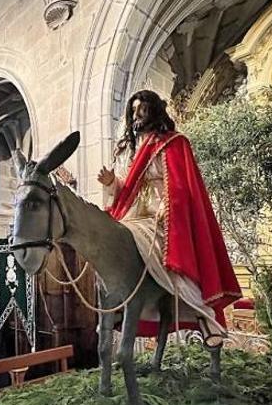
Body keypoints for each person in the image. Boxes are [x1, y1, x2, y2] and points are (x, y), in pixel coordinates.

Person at [100, 89, 241, 337]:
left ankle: (201, 310)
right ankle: (123, 300)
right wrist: (112, 182)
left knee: (157, 246)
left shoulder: (174, 143)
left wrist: (169, 205)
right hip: (136, 209)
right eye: (133, 111)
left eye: (141, 109)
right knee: (114, 238)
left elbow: (181, 184)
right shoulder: (133, 149)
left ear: (153, 110)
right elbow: (129, 186)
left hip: (165, 211)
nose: (136, 115)